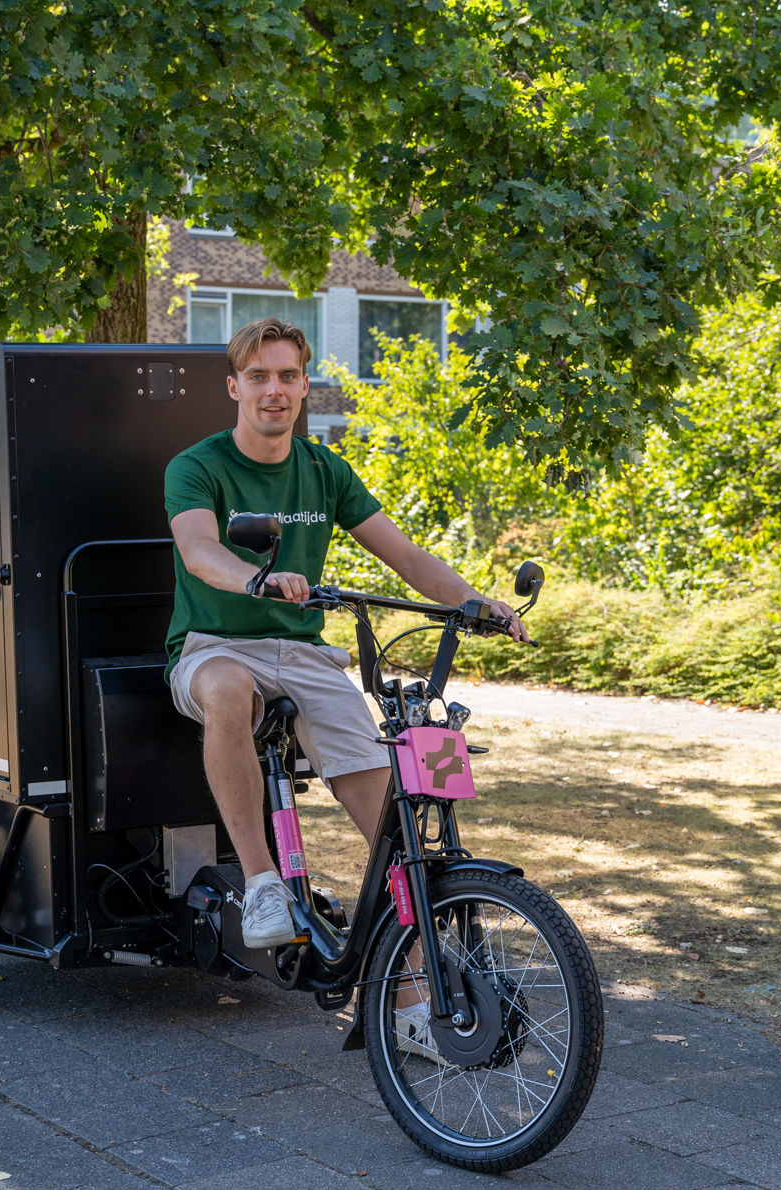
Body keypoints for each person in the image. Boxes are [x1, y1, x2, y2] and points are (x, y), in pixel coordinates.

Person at [163, 315, 528, 962]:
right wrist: (258, 582)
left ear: (305, 386)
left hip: (305, 656)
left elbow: (407, 557)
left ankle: (417, 994)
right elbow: (198, 550)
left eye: (286, 376)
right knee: (228, 686)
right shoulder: (198, 466)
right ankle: (262, 884)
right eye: (257, 377)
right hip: (215, 644)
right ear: (234, 388)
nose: (272, 389)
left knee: (392, 825)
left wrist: (476, 603)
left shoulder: (326, 469)